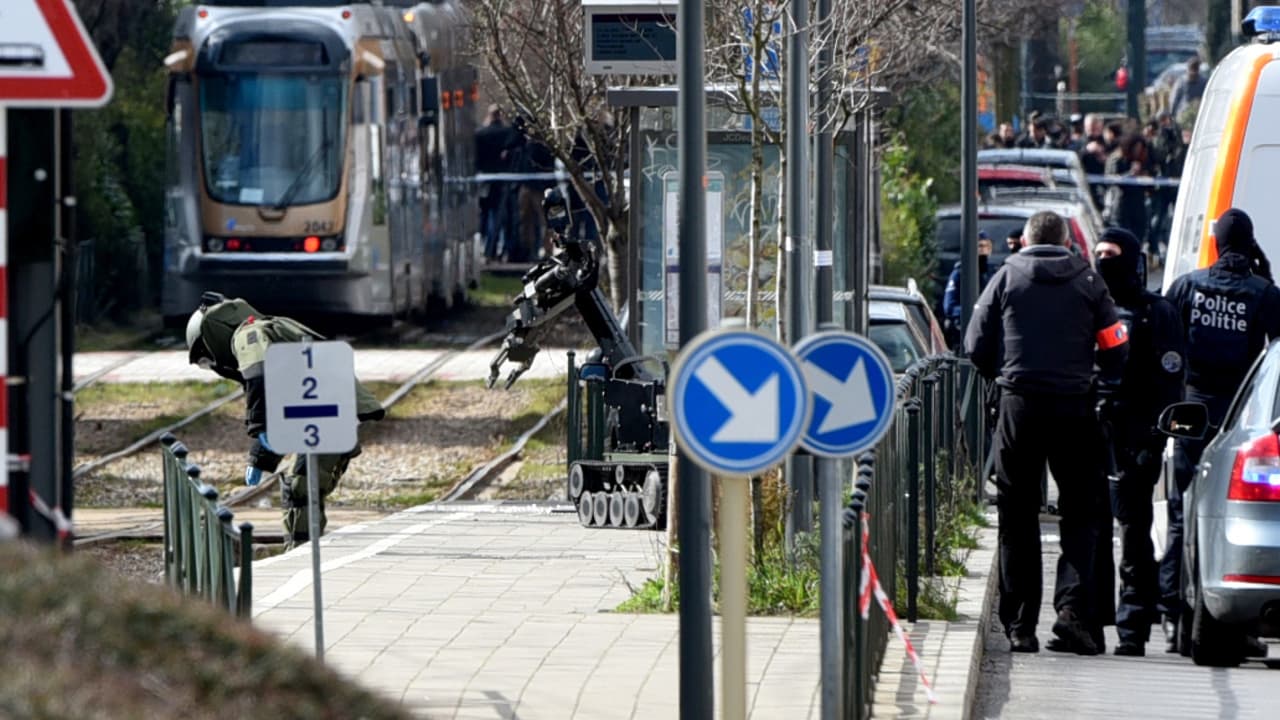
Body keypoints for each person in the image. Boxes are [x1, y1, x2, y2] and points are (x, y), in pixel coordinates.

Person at [966, 210, 1128, 656]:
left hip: (1019, 405)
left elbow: (974, 345)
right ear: (1066, 241)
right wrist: (1096, 373)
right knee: (1081, 512)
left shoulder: (1005, 278)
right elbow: (1116, 345)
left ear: (1023, 241)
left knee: (1017, 515)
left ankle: (1021, 627)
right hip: (1075, 406)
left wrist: (1005, 372)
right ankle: (1072, 611)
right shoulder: (1089, 281)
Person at [1161, 208, 1280, 652]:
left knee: (1182, 513)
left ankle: (1175, 618)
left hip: (1190, 413)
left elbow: (1162, 335)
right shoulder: (1262, 293)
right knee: (1221, 513)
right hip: (1238, 419)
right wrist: (1263, 270)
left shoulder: (1189, 286)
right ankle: (1229, 622)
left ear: (1216, 245)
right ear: (1249, 247)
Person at [185, 292, 386, 549]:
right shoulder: (266, 328)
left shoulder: (248, 336)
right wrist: (261, 457)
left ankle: (300, 552)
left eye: (205, 359)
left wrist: (258, 427)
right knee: (303, 485)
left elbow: (258, 381)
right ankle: (304, 548)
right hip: (324, 410)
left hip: (326, 414)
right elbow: (277, 405)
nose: (213, 366)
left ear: (214, 336)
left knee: (302, 487)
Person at [1092, 228, 1186, 656]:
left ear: (1129, 259)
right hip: (1092, 431)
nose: (1101, 260)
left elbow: (1170, 384)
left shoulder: (1156, 313)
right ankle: (1090, 622)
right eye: (1096, 253)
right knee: (1089, 531)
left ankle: (1132, 626)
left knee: (1133, 533)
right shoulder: (1090, 305)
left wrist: (1155, 437)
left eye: (1109, 254)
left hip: (1135, 438)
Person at [942, 231, 994, 348]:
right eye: (980, 246)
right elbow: (949, 307)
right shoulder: (959, 274)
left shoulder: (992, 274)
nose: (983, 250)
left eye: (987, 246)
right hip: (964, 331)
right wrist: (974, 310)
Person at [1169, 56, 1207, 123]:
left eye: (1195, 69)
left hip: (1198, 115)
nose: (1193, 72)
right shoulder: (1182, 82)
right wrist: (1172, 114)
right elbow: (1174, 99)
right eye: (1192, 68)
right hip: (1184, 115)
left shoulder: (1203, 82)